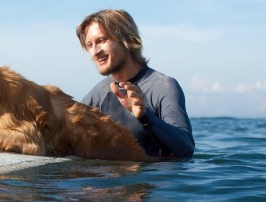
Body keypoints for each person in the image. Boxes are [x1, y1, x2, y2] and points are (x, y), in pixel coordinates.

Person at [76, 9, 195, 159]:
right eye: (90, 45)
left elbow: (186, 148)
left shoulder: (163, 86)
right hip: (109, 179)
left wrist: (145, 116)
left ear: (128, 39)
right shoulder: (98, 94)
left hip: (155, 178)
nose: (95, 51)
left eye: (102, 40)